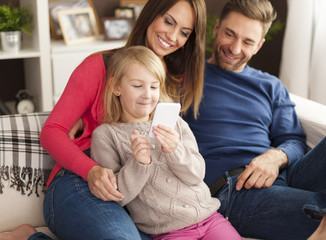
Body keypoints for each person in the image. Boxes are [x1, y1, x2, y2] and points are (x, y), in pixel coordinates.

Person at [0, 0, 206, 239]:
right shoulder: (99, 65)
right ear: (151, 14)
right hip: (81, 179)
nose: (172, 36)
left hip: (136, 192)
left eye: (184, 32)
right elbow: (52, 131)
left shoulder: (173, 79)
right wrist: (91, 170)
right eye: (168, 21)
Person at [182, 0, 326, 239]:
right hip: (235, 188)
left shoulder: (271, 86)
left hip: (286, 174)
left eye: (247, 42)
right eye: (229, 34)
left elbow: (294, 140)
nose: (235, 48)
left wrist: (276, 156)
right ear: (216, 29)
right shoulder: (187, 77)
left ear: (259, 46)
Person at [91, 45, 242, 240]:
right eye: (137, 86)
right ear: (116, 86)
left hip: (209, 218)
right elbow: (117, 196)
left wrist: (175, 150)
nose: (147, 94)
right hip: (169, 231)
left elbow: (197, 174)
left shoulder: (176, 122)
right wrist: (139, 163)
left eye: (154, 86)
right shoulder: (106, 136)